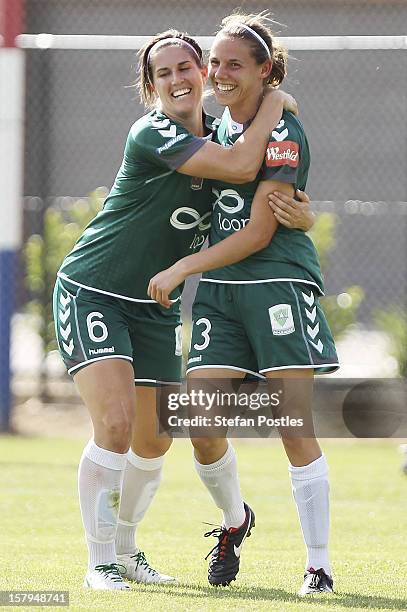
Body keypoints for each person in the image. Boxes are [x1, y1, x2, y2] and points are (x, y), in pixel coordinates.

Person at [52, 28, 303, 590]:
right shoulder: (152, 132)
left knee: (155, 439)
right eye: (162, 73)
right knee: (114, 426)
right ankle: (100, 564)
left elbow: (266, 195)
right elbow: (241, 168)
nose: (176, 80)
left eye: (185, 68)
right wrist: (278, 103)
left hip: (155, 306)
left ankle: (125, 550)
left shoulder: (220, 134)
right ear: (150, 87)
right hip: (94, 291)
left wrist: (302, 215)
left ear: (204, 74)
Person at [148, 12, 339, 595]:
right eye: (217, 62)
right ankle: (235, 521)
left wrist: (182, 267)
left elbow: (258, 234)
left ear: (264, 70)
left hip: (278, 285)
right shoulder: (216, 127)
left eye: (236, 63)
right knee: (202, 424)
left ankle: (318, 567)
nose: (220, 73)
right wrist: (280, 97)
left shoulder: (282, 133)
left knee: (291, 425)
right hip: (223, 296)